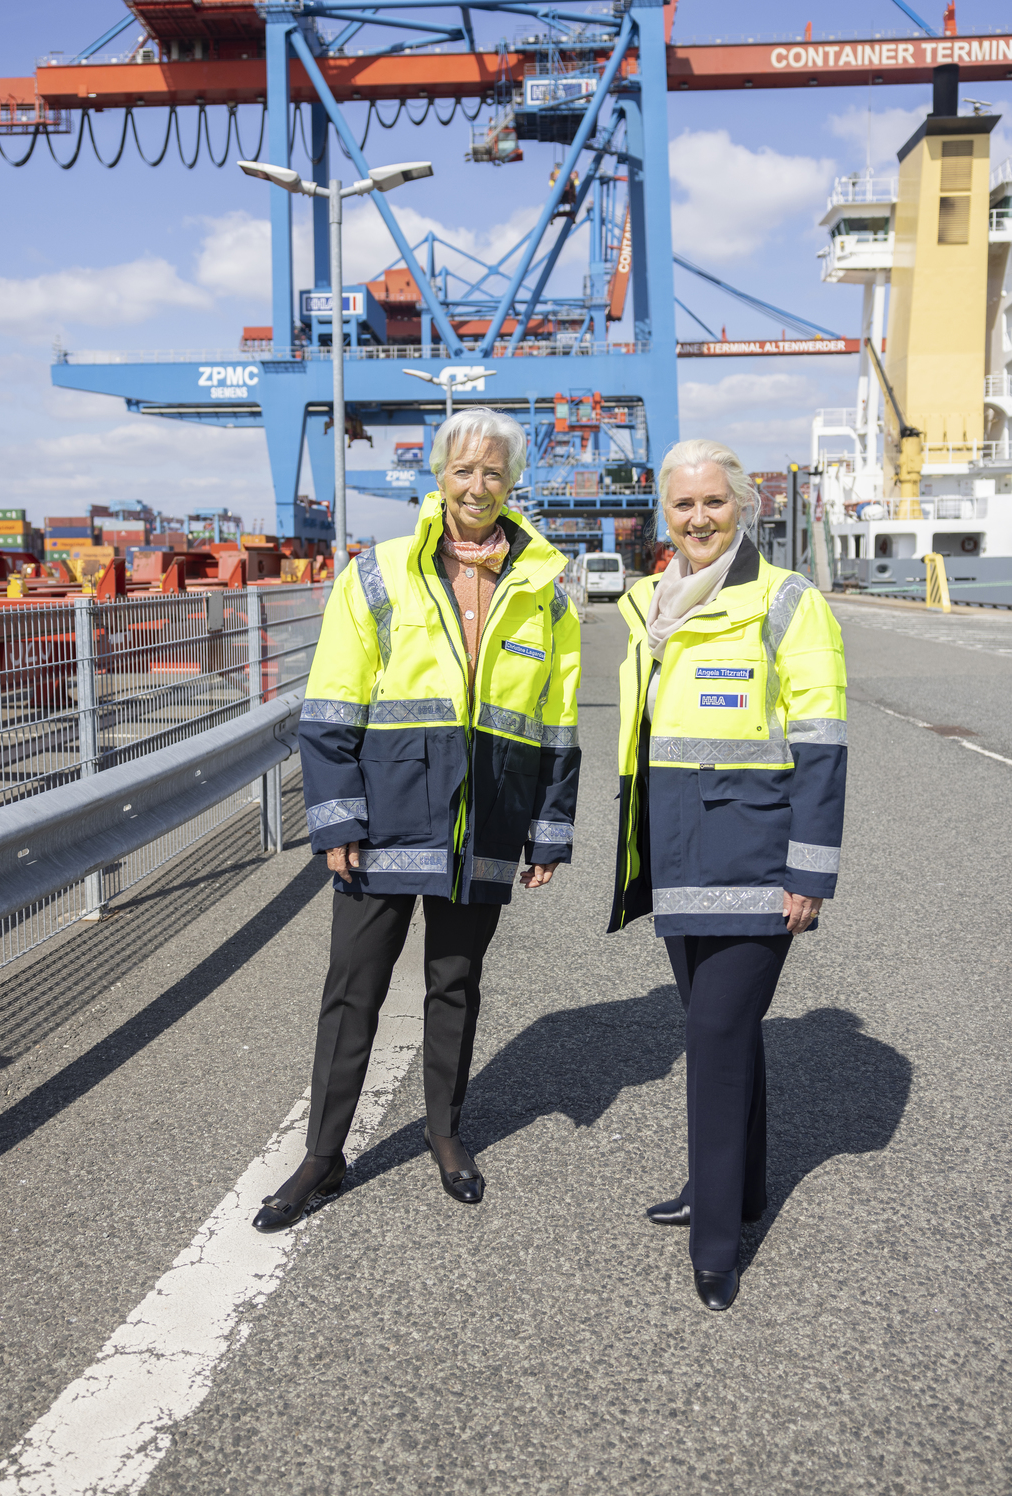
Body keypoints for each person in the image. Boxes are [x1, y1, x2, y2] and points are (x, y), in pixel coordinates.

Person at [254, 407, 582, 1231]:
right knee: (351, 991)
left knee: (455, 985)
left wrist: (548, 828)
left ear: (513, 482)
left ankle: (444, 1134)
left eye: (493, 472)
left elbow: (557, 721)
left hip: (486, 821)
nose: (477, 486)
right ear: (437, 477)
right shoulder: (379, 573)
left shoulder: (544, 588)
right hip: (385, 817)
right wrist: (336, 822)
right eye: (462, 470)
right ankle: (322, 1158)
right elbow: (330, 709)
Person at [608, 439, 847, 1310]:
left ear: (741, 506)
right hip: (678, 859)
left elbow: (821, 745)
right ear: (664, 512)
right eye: (682, 505)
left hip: (757, 861)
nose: (698, 519)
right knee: (727, 1030)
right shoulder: (648, 604)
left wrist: (809, 872)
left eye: (713, 502)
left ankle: (715, 1244)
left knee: (710, 1037)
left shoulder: (787, 602)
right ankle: (738, 1191)